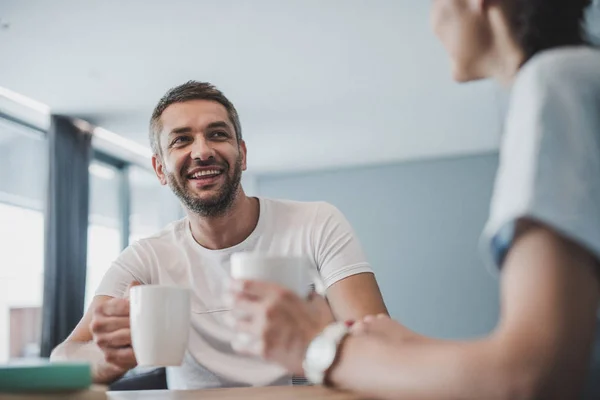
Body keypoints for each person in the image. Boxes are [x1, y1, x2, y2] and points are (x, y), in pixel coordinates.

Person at [228, 0, 600, 399]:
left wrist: (318, 349)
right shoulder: (579, 76)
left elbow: (532, 378)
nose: (433, 21)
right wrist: (407, 348)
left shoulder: (555, 80)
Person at [50, 81, 388, 389]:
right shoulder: (147, 256)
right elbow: (65, 356)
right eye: (182, 139)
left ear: (242, 154)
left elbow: (378, 343)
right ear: (160, 169)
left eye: (217, 134)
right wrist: (107, 357)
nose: (202, 151)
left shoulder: (316, 223)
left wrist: (321, 335)